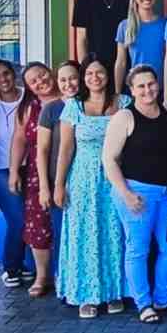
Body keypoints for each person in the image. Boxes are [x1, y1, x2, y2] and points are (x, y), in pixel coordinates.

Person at [103, 64, 167, 324]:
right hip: (136, 192)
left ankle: (163, 299)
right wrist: (126, 193)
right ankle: (143, 304)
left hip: (166, 192)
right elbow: (109, 160)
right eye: (141, 86)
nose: (147, 89)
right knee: (138, 250)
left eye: (151, 84)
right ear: (132, 89)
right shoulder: (124, 117)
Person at [54, 56, 129, 319]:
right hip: (83, 178)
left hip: (116, 176)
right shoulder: (73, 107)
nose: (94, 78)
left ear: (108, 75)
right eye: (88, 74)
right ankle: (85, 294)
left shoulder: (123, 103)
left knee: (114, 231)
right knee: (83, 234)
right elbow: (65, 149)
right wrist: (59, 185)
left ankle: (113, 292)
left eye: (99, 72)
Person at [6, 61, 57, 296]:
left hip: (72, 168)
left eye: (42, 75)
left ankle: (65, 275)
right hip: (38, 171)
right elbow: (19, 139)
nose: (41, 81)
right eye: (34, 81)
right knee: (38, 223)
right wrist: (15, 170)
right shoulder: (30, 107)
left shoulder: (72, 98)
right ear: (29, 87)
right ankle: (42, 275)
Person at [36, 61, 80, 276]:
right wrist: (45, 187)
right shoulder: (51, 109)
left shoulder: (90, 105)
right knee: (62, 234)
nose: (68, 84)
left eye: (72, 78)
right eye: (63, 80)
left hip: (85, 182)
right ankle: (64, 281)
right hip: (58, 184)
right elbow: (42, 150)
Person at [0, 58, 28, 287]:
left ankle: (24, 265)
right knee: (18, 219)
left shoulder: (27, 97)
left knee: (32, 218)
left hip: (29, 166)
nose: (3, 79)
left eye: (6, 74)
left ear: (14, 74)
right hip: (1, 169)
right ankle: (11, 266)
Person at [114, 0, 167, 95]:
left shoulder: (165, 24)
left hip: (161, 89)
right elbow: (121, 62)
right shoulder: (124, 26)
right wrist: (117, 94)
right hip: (137, 88)